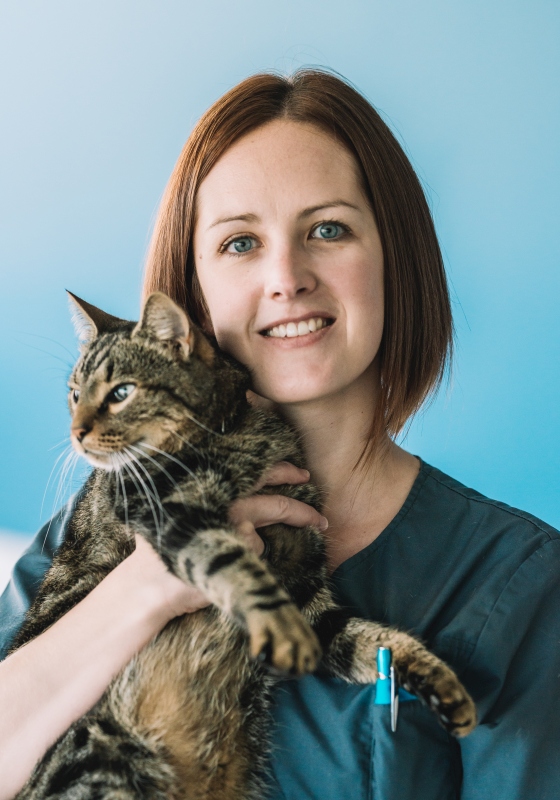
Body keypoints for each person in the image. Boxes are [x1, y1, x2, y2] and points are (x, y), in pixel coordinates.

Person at [1, 69, 559, 800]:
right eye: (239, 243)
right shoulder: (97, 519)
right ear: (190, 295)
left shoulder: (511, 582)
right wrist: (139, 593)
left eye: (328, 229)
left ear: (396, 258)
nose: (286, 277)